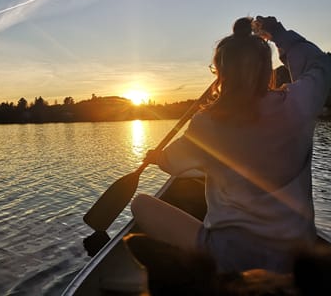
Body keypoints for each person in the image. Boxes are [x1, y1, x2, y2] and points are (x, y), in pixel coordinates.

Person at [130, 16, 331, 274]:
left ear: (221, 73)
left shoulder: (208, 125)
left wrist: (157, 156)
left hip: (229, 260)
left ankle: (199, 274)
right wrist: (279, 34)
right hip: (297, 258)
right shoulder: (298, 103)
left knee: (140, 204)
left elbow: (172, 164)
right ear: (266, 70)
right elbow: (320, 64)